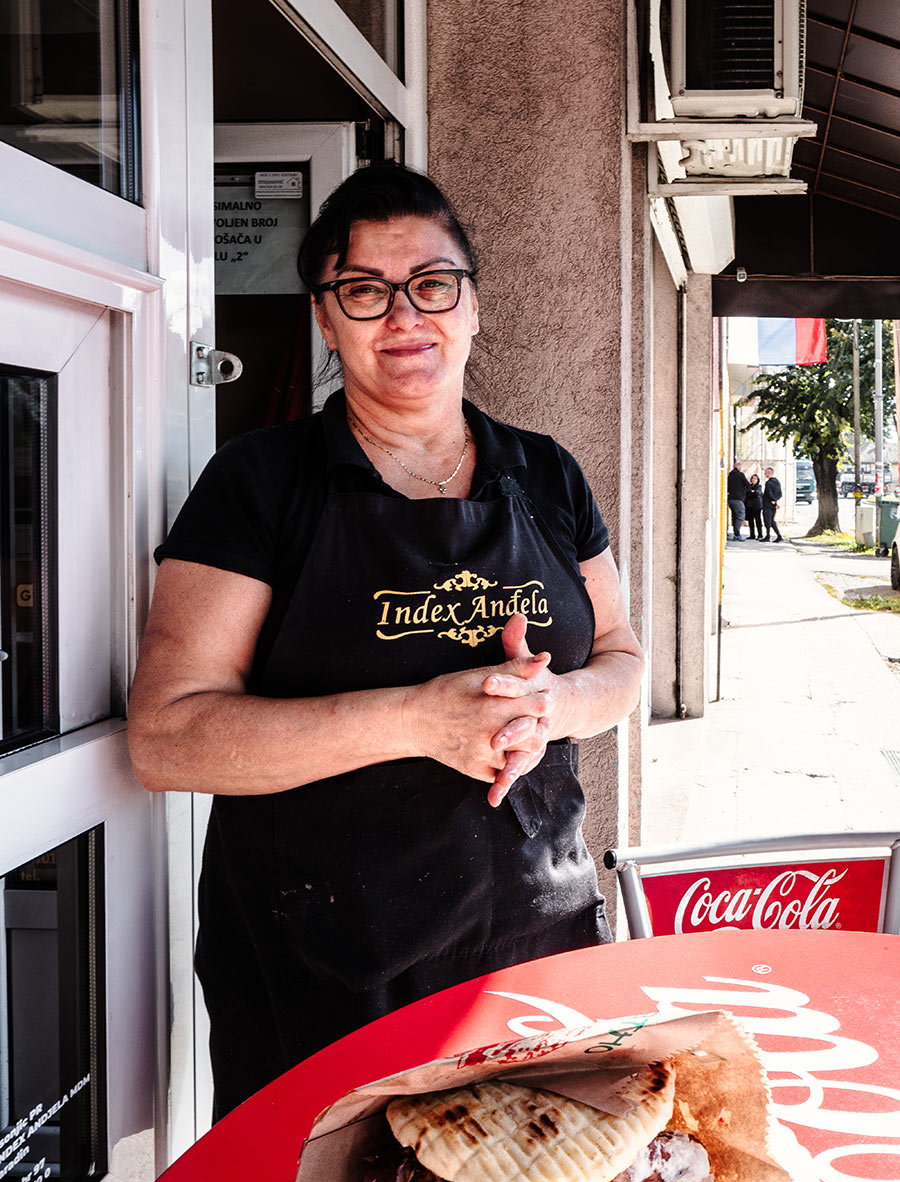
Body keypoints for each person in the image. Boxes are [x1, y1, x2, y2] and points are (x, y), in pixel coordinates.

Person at [127, 163, 645, 1119]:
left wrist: (554, 703)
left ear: (472, 306)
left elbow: (621, 660)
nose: (405, 315)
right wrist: (417, 719)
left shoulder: (548, 473)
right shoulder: (259, 483)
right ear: (326, 320)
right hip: (323, 967)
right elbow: (167, 738)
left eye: (433, 284)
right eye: (364, 290)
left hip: (539, 942)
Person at [727, 462, 751, 540]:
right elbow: (748, 485)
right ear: (739, 468)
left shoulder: (730, 475)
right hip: (738, 498)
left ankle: (735, 533)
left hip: (730, 498)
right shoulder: (740, 475)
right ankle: (737, 534)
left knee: (734, 516)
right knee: (741, 516)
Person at [762, 466, 783, 541]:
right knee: (771, 520)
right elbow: (780, 494)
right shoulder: (777, 482)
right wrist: (775, 501)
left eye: (766, 472)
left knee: (768, 520)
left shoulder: (768, 483)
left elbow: (769, 493)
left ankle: (770, 536)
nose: (765, 474)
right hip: (773, 504)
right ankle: (776, 536)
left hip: (767, 504)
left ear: (769, 473)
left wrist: (772, 500)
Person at [745, 473, 763, 539]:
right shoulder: (749, 486)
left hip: (757, 506)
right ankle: (752, 535)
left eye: (755, 479)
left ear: (758, 480)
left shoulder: (759, 486)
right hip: (749, 506)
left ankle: (760, 535)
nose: (754, 480)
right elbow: (746, 493)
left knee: (758, 520)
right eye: (752, 478)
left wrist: (752, 492)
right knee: (750, 521)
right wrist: (751, 492)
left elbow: (757, 493)